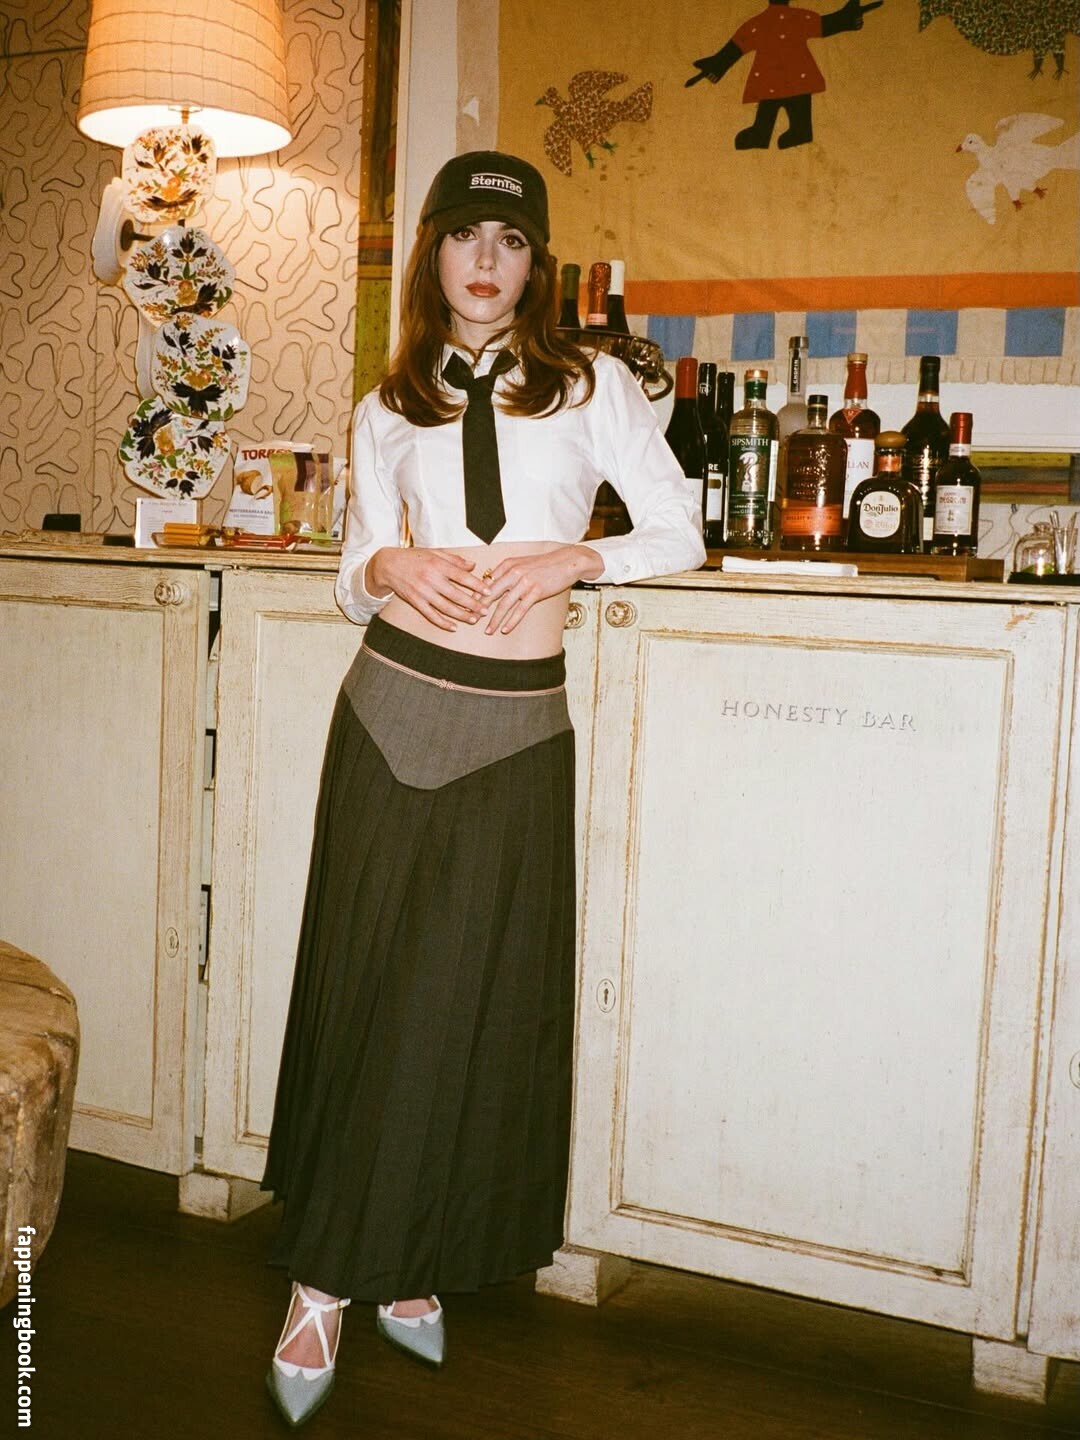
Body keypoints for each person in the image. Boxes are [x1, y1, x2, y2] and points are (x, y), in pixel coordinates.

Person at [260, 149, 705, 1427]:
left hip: (516, 729)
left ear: (535, 264)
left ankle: (414, 1257)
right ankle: (325, 1280)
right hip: (389, 709)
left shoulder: (595, 386)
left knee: (475, 1003)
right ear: (436, 254)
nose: (486, 262)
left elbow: (678, 530)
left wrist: (581, 556)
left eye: (510, 243)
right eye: (465, 237)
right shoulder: (386, 403)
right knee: (368, 987)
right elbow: (354, 568)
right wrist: (387, 570)